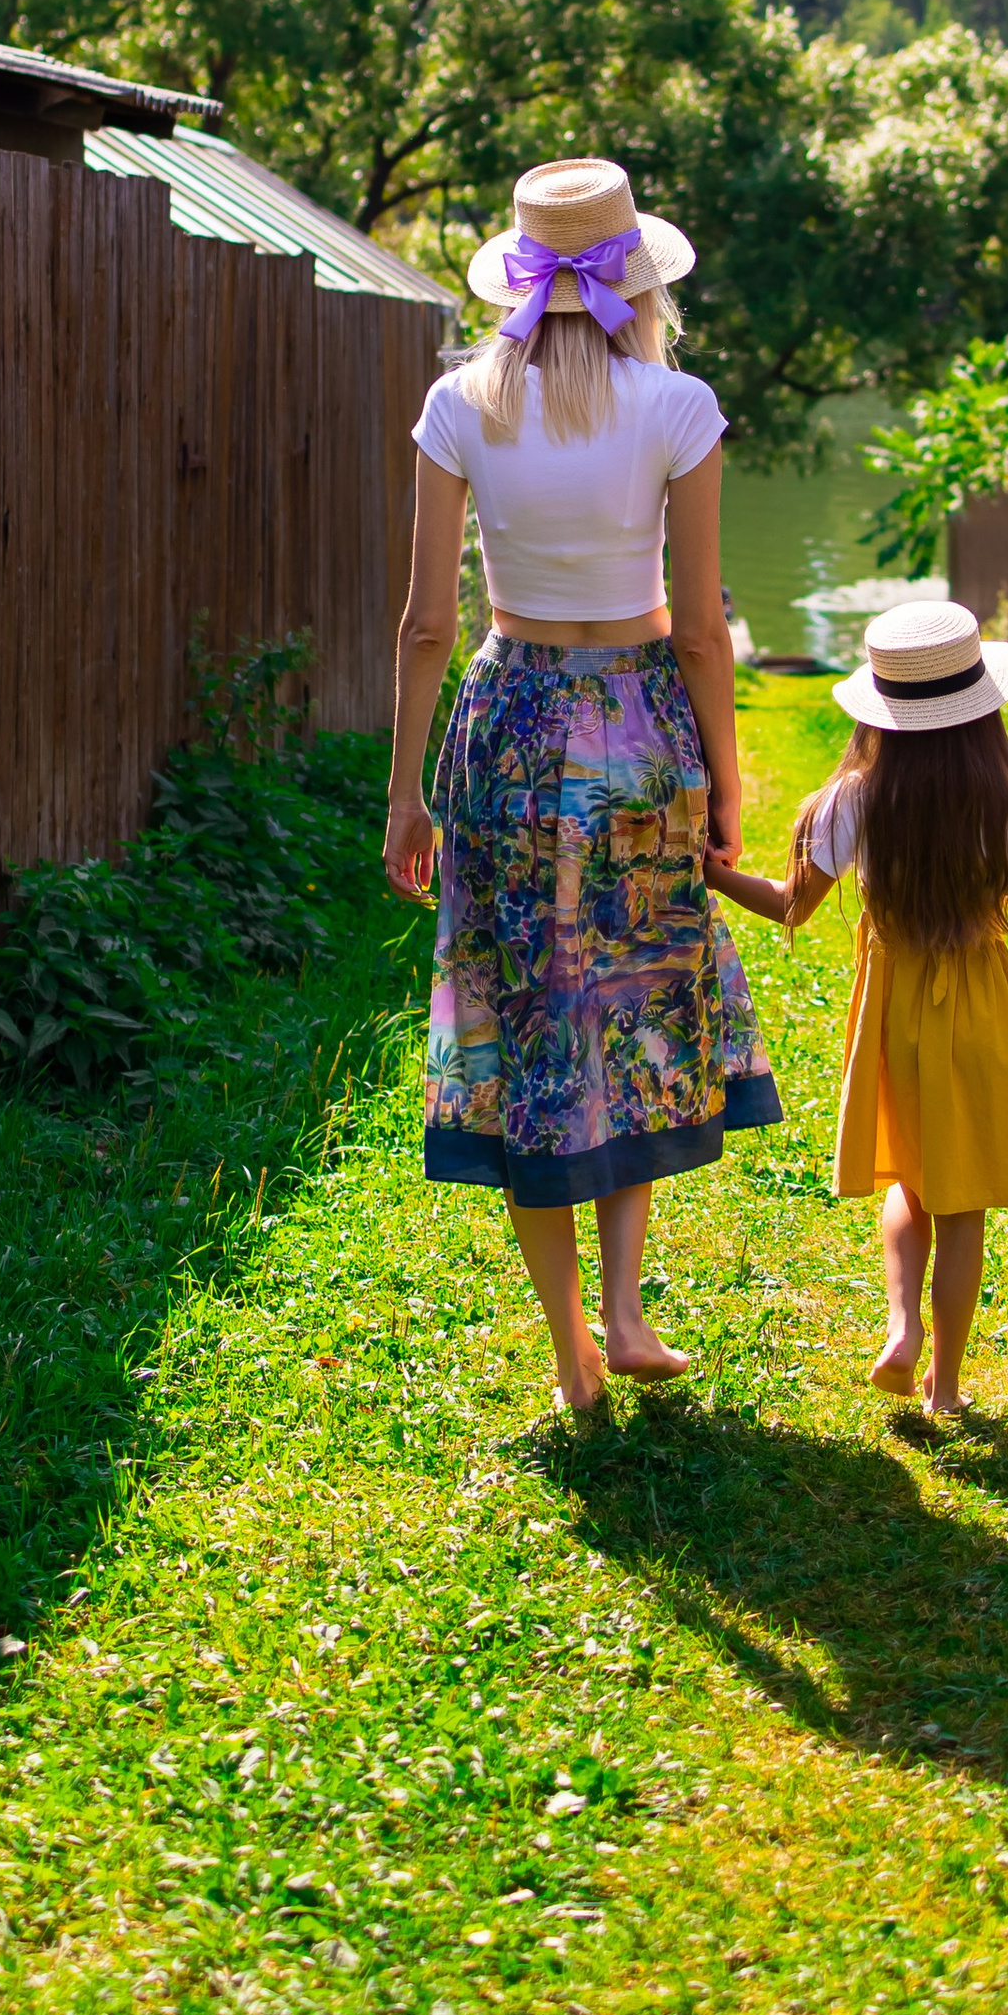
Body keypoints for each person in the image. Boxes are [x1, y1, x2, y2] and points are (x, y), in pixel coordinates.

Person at [384, 158, 778, 1413]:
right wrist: (724, 780)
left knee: (528, 1018)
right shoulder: (677, 405)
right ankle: (622, 1310)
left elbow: (424, 627)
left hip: (505, 725)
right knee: (631, 997)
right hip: (640, 729)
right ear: (636, 279)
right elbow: (702, 629)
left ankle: (576, 1349)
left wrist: (405, 796)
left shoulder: (459, 401)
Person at [705, 603, 1008, 1417]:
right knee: (962, 1202)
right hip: (980, 1011)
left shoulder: (853, 799)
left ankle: (902, 1329)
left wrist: (712, 871)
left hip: (894, 1010)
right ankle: (948, 1388)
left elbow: (791, 905)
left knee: (909, 1172)